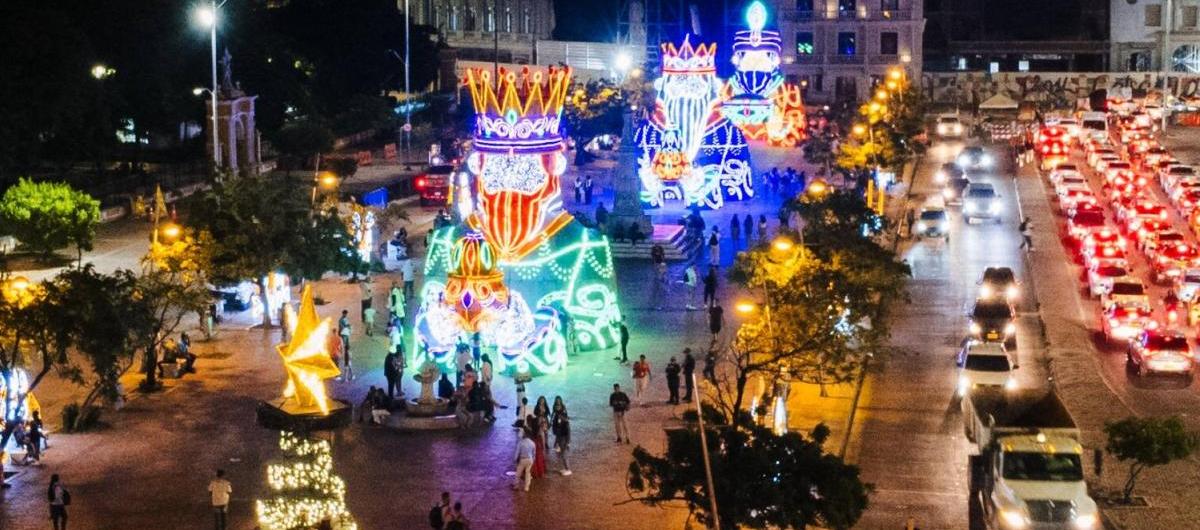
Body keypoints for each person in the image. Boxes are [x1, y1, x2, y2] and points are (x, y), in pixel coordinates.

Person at [551, 396, 572, 475]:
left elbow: (568, 432)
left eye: (558, 406)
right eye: (556, 406)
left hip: (563, 438)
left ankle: (568, 469)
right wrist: (556, 441)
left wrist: (568, 442)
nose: (557, 407)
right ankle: (565, 468)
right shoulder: (557, 416)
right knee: (562, 454)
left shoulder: (565, 422)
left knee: (564, 454)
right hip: (560, 437)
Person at [338, 310, 353, 379]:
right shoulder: (341, 320)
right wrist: (347, 326)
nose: (346, 315)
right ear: (343, 313)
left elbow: (347, 324)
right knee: (344, 342)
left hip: (346, 333)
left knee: (346, 342)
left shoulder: (345, 319)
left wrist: (348, 326)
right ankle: (348, 377)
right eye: (345, 314)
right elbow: (341, 327)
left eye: (346, 314)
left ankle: (349, 377)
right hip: (343, 333)